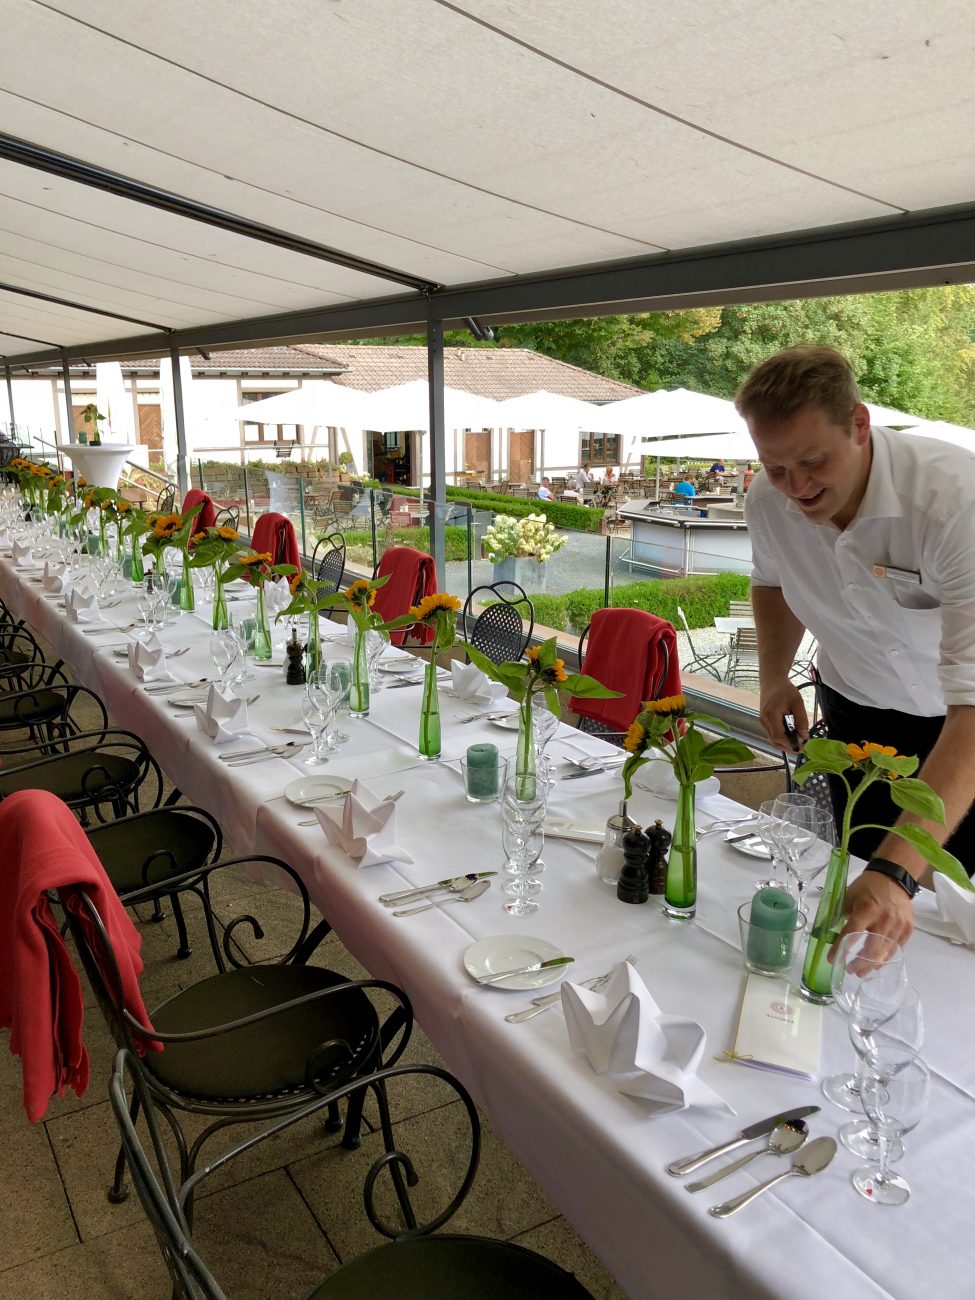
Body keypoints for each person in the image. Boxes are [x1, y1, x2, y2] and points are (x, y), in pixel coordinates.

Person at [735, 344, 975, 949]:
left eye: (813, 461)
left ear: (860, 424)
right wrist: (773, 676)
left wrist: (897, 871)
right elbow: (771, 580)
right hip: (859, 715)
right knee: (857, 882)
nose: (796, 487)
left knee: (956, 911)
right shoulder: (768, 502)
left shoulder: (953, 505)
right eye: (775, 466)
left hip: (960, 734)